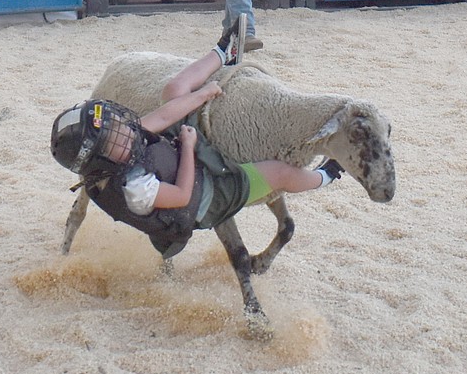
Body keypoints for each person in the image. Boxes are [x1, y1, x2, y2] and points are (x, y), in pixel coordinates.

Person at [49, 25, 342, 258]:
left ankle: (222, 51)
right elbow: (181, 195)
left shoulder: (124, 144)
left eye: (118, 125)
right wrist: (188, 148)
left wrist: (201, 95)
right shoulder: (135, 186)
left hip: (177, 158)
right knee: (279, 172)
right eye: (115, 135)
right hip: (198, 202)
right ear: (104, 159)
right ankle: (324, 175)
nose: (123, 129)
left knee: (174, 89)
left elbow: (163, 116)